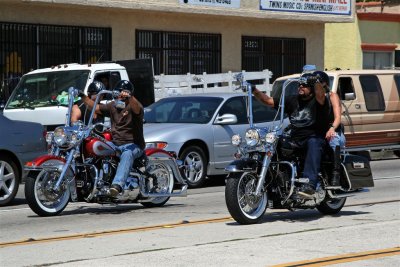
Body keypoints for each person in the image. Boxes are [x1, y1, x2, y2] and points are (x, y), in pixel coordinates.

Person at [251, 72, 326, 197]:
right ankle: (275, 180)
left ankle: (310, 184)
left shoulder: (318, 100)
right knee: (274, 142)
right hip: (295, 138)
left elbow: (321, 95)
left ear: (312, 89)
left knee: (313, 143)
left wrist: (316, 82)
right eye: (299, 85)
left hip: (314, 136)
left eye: (305, 85)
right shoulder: (292, 99)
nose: (301, 87)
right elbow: (269, 101)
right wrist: (254, 90)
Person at [79, 80, 145, 197]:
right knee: (96, 147)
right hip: (115, 144)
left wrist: (130, 97)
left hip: (134, 145)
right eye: (118, 92)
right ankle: (95, 182)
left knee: (127, 153)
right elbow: (96, 107)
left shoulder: (134, 106)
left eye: (122, 92)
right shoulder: (113, 106)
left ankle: (117, 185)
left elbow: (137, 108)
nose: (119, 95)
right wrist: (82, 96)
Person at [313, 71, 346, 187]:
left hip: (334, 131)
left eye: (318, 83)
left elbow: (337, 118)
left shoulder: (332, 96)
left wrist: (331, 128)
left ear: (325, 84)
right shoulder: (311, 98)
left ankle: (336, 173)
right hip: (318, 131)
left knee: (333, 139)